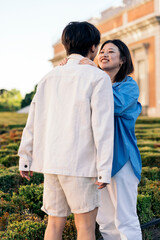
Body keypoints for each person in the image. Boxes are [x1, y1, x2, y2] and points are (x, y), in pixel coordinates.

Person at [18, 22, 114, 240]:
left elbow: (33, 121)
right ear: (92, 48)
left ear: (66, 46)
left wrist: (25, 157)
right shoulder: (98, 78)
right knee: (86, 227)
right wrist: (104, 169)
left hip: (52, 163)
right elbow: (103, 128)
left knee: (53, 225)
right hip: (81, 164)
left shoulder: (48, 77)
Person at [79, 39, 142, 240]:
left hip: (122, 159)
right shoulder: (95, 82)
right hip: (98, 162)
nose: (104, 54)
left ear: (123, 59)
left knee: (125, 219)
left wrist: (91, 74)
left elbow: (107, 105)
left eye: (111, 52)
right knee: (105, 221)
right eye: (102, 51)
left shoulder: (129, 86)